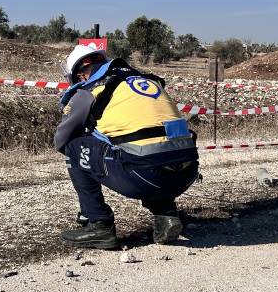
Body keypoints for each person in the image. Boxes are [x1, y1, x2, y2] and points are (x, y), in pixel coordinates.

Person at [54, 45, 199, 249]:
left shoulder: (91, 90)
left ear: (81, 75)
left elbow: (61, 139)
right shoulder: (146, 80)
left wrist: (88, 160)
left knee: (74, 148)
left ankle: (99, 224)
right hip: (187, 172)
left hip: (145, 177)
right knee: (147, 148)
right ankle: (166, 214)